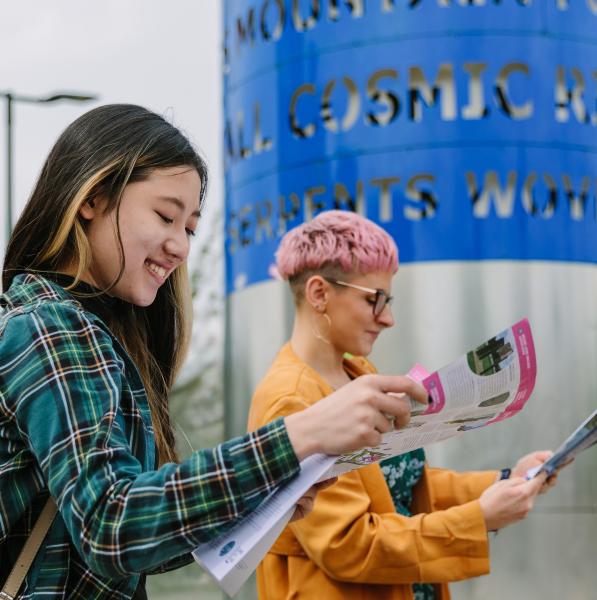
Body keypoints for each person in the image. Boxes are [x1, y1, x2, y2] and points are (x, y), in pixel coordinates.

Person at [0, 106, 428, 600]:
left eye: (190, 228)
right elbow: (111, 526)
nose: (180, 246)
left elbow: (135, 542)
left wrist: (264, 498)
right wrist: (300, 435)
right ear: (93, 198)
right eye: (165, 216)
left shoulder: (92, 333)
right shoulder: (51, 326)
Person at [247, 210, 557, 600]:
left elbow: (400, 485)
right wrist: (478, 519)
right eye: (375, 299)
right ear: (319, 293)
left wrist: (506, 480)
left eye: (388, 299)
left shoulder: (357, 373)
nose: (388, 318)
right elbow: (347, 545)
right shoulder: (289, 400)